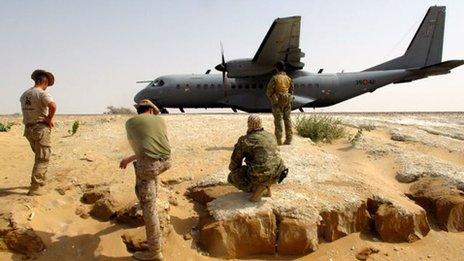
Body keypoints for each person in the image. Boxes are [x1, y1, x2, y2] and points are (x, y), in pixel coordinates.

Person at [119, 99, 171, 261]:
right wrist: (128, 159)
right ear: (151, 109)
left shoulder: (131, 123)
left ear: (140, 110)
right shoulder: (160, 120)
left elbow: (141, 149)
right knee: (148, 174)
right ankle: (151, 193)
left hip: (149, 166)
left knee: (149, 208)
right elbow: (151, 147)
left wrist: (130, 159)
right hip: (167, 161)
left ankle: (155, 252)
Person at [227, 115, 288, 202]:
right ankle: (267, 188)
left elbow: (234, 164)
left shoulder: (245, 140)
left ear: (248, 124)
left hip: (263, 173)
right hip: (279, 171)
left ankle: (258, 191)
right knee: (266, 165)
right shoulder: (270, 135)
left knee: (232, 177)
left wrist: (236, 171)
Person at [20, 69, 56, 196]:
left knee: (39, 155)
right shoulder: (41, 93)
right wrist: (49, 119)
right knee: (42, 158)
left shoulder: (25, 94)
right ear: (44, 82)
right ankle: (35, 188)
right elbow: (53, 106)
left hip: (28, 130)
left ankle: (40, 181)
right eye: (47, 85)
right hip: (40, 129)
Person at [266, 61, 294, 145]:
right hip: (287, 100)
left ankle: (278, 140)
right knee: (287, 119)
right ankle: (289, 139)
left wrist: (273, 99)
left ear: (276, 68)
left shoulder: (275, 78)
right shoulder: (289, 78)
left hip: (278, 100)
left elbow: (269, 91)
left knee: (278, 120)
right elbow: (292, 91)